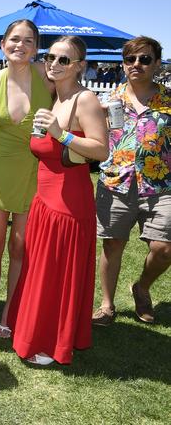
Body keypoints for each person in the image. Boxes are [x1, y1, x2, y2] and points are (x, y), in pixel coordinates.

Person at [8, 36, 108, 365]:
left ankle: (51, 341)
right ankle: (35, 330)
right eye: (51, 57)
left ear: (80, 66)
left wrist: (60, 134)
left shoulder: (85, 99)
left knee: (57, 273)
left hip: (69, 204)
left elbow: (100, 149)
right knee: (41, 270)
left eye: (64, 60)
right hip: (45, 200)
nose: (54, 64)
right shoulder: (55, 98)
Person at [0, 19, 54, 338]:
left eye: (29, 40)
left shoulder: (48, 79)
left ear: (37, 47)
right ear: (3, 44)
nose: (21, 45)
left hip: (36, 171)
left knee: (20, 248)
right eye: (15, 39)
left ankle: (12, 308)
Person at [92, 36, 171, 326]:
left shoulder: (168, 101)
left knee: (164, 248)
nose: (136, 64)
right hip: (116, 183)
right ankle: (107, 305)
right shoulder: (108, 101)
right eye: (130, 59)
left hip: (161, 185)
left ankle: (142, 287)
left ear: (157, 64)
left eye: (144, 59)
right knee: (112, 245)